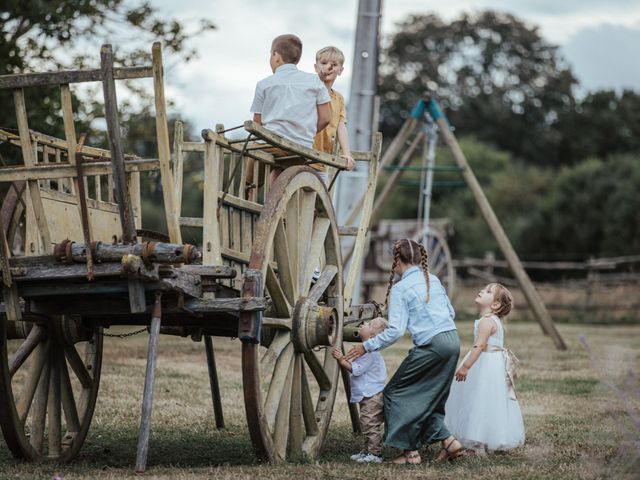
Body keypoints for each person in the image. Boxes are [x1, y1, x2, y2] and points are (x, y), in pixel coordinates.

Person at [345, 239, 463, 464]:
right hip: (452, 340)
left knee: (394, 393)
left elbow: (395, 331)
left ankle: (410, 453)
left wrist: (366, 346)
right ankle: (449, 442)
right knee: (431, 396)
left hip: (433, 346)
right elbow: (451, 312)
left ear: (396, 260)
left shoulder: (401, 288)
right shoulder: (433, 280)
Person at [444, 283, 525, 454]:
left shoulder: (487, 321)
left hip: (485, 363)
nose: (481, 290)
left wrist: (466, 366)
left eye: (488, 291)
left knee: (479, 400)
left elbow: (479, 346)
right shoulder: (491, 320)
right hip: (492, 363)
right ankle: (486, 439)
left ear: (495, 305)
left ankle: (477, 444)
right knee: (487, 401)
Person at [332, 317, 389, 464]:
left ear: (372, 337)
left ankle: (375, 454)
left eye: (369, 325)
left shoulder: (370, 353)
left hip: (371, 396)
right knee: (366, 424)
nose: (364, 324)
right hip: (368, 394)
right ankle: (367, 451)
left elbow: (356, 370)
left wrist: (341, 360)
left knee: (370, 425)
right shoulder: (367, 350)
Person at [312, 46, 355, 181]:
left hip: (322, 157)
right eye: (324, 63)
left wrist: (346, 154)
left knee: (319, 197)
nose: (328, 67)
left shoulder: (339, 99)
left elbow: (340, 126)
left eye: (334, 64)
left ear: (341, 70)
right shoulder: (310, 90)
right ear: (316, 67)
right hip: (303, 151)